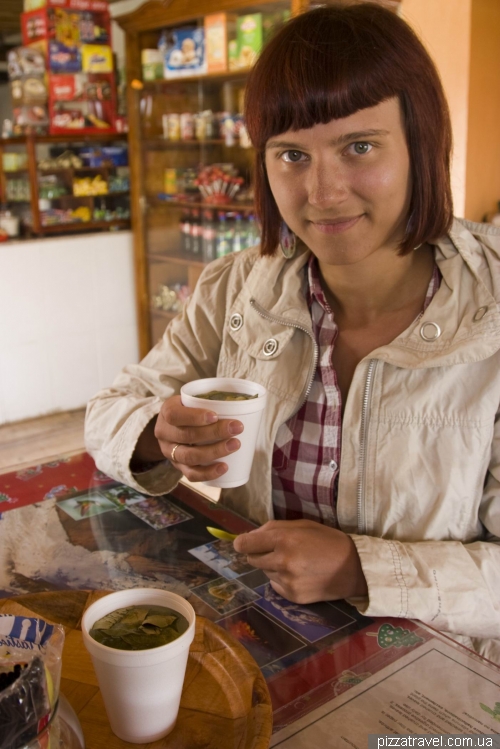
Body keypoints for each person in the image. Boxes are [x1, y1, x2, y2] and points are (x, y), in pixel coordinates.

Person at [85, 3, 500, 662]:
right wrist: (153, 431)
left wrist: (364, 568)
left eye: (359, 147)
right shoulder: (238, 289)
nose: (322, 191)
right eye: (291, 155)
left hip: (435, 677)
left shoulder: (491, 311)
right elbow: (108, 411)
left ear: (422, 142)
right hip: (265, 647)